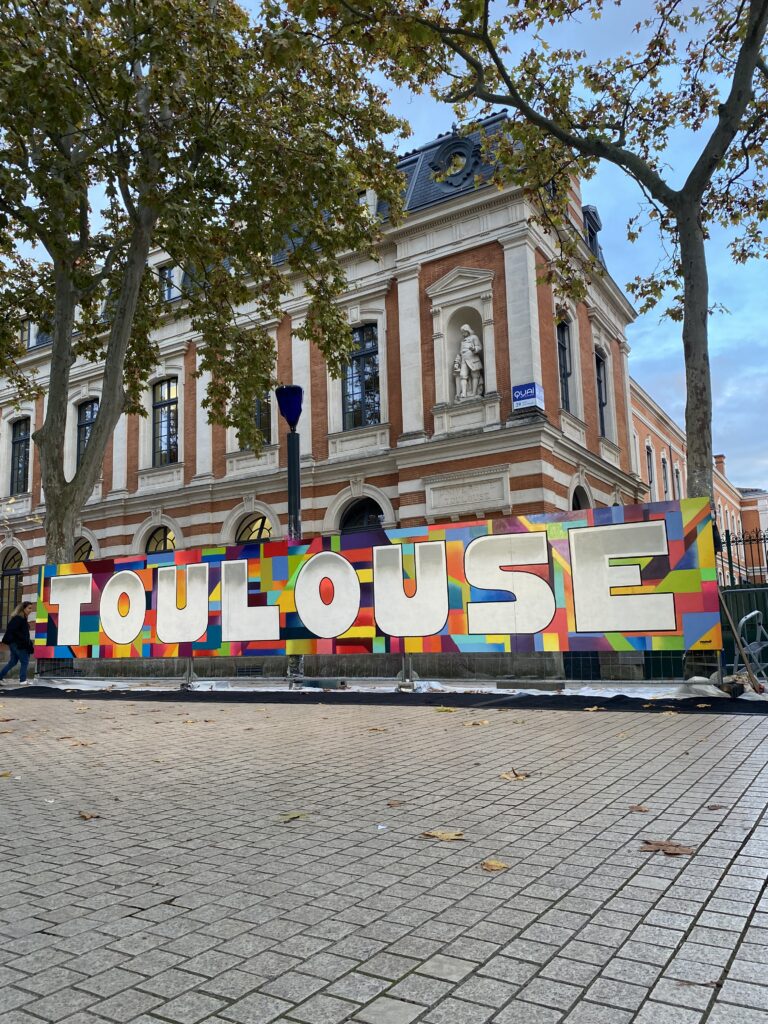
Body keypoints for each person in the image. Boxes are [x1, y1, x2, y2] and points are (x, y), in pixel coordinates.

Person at [0, 601, 35, 684]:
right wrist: (24, 641)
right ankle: (23, 680)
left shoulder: (21, 618)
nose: (30, 610)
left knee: (13, 662)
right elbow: (13, 631)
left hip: (16, 644)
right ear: (23, 608)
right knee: (25, 661)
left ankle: (0, 676)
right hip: (19, 645)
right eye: (29, 608)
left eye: (31, 608)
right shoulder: (19, 618)